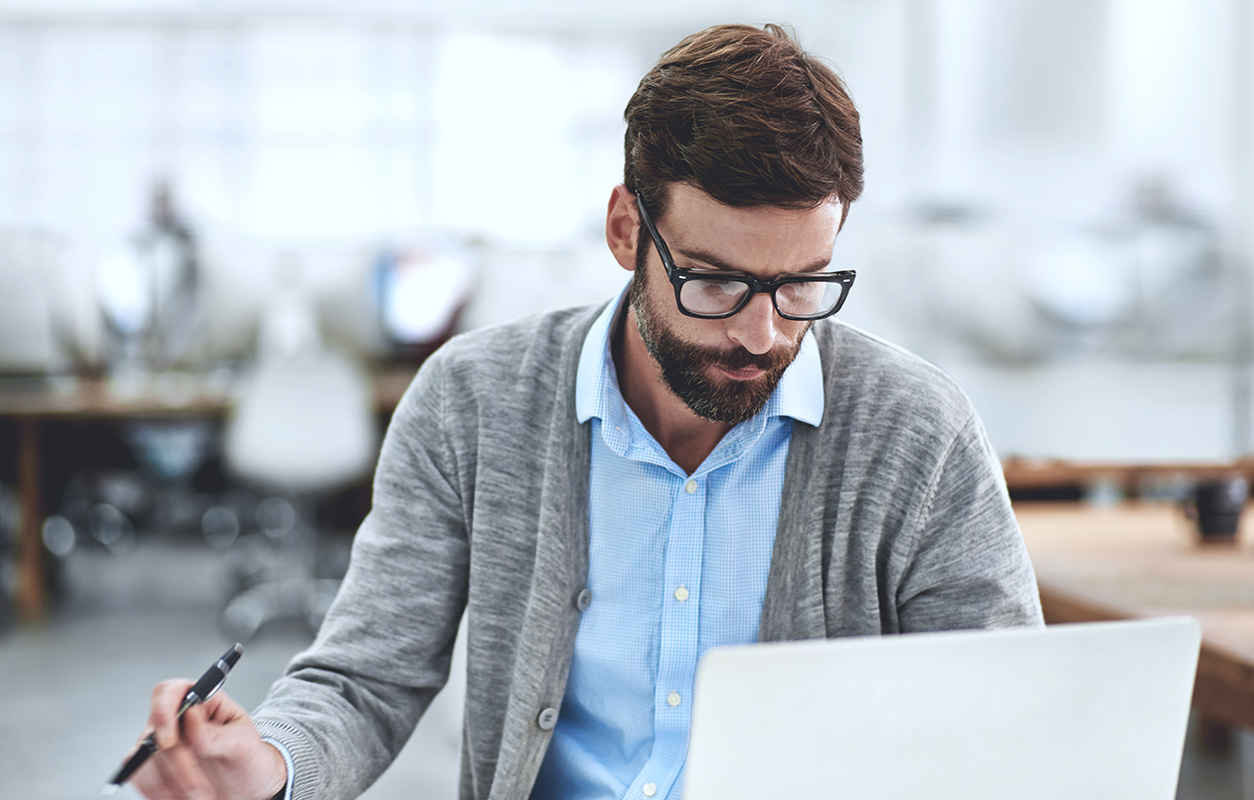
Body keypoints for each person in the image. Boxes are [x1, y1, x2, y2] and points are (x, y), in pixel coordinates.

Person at [132, 22, 1042, 800]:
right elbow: (366, 677)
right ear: (624, 231)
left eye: (802, 284)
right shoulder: (472, 402)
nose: (763, 334)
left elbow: (1009, 724)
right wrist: (271, 763)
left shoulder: (919, 435)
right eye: (716, 281)